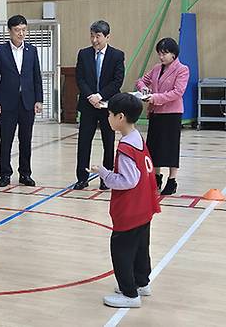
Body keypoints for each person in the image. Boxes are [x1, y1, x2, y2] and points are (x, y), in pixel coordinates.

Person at [88, 93, 161, 308]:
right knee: (140, 249)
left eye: (109, 114)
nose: (107, 118)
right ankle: (141, 282)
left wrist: (103, 173)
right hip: (144, 208)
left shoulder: (125, 148)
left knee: (121, 251)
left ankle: (130, 294)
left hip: (131, 210)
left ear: (120, 117)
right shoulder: (137, 138)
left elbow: (127, 181)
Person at [0, 14, 43, 188]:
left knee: (26, 140)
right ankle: (5, 174)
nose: (21, 33)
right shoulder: (0, 51)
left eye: (23, 30)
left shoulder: (32, 50)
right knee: (6, 140)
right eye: (17, 30)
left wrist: (39, 100)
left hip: (27, 103)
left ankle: (25, 174)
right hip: (7, 104)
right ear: (9, 31)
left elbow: (37, 77)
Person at [74, 20, 125, 190]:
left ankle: (106, 177)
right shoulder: (83, 54)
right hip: (88, 105)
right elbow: (80, 78)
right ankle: (82, 177)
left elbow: (117, 81)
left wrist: (100, 96)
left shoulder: (117, 55)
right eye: (92, 35)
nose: (94, 40)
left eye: (98, 36)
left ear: (107, 37)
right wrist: (90, 96)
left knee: (108, 142)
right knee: (84, 142)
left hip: (107, 106)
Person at [136, 37, 190, 195]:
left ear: (173, 54)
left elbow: (178, 92)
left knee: (171, 148)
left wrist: (156, 98)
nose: (161, 57)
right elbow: (140, 81)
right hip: (155, 113)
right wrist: (144, 89)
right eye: (159, 53)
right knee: (154, 147)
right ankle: (156, 177)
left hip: (172, 114)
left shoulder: (182, 69)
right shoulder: (156, 68)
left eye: (164, 53)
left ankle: (172, 180)